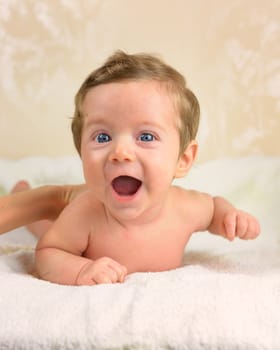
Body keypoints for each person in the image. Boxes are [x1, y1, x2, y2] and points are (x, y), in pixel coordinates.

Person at [0, 51, 260, 286]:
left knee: (58, 211)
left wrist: (229, 216)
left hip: (86, 202)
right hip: (74, 209)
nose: (120, 152)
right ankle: (25, 194)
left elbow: (214, 208)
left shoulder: (185, 208)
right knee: (44, 222)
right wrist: (81, 270)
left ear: (183, 159)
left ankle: (25, 190)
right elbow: (49, 252)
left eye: (146, 137)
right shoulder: (85, 212)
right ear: (81, 151)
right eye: (102, 137)